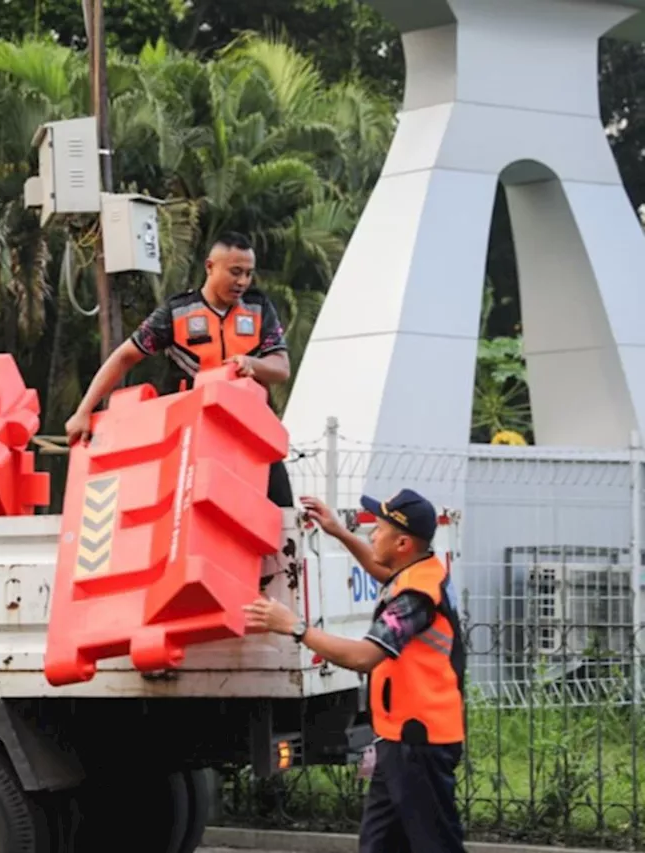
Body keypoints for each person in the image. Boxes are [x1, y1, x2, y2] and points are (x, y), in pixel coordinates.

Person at [243, 489, 467, 853]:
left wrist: (296, 628)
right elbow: (382, 569)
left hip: (419, 743)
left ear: (403, 543)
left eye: (377, 529)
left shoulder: (416, 598)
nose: (372, 535)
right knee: (377, 845)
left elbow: (364, 656)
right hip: (398, 739)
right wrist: (338, 532)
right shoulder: (416, 571)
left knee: (435, 844)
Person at [63, 231, 295, 507]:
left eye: (248, 273)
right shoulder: (177, 312)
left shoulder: (258, 308)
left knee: (283, 514)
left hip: (252, 433)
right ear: (210, 267)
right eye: (235, 272)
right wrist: (83, 411)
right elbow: (124, 357)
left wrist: (252, 364)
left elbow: (281, 368)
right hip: (194, 437)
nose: (243, 281)